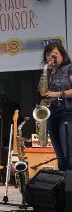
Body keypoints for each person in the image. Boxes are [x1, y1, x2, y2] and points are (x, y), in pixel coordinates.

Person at [42, 42, 72, 171]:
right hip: (52, 115)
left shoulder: (69, 68)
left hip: (67, 113)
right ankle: (64, 188)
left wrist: (59, 94)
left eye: (54, 54)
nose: (51, 57)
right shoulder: (46, 74)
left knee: (69, 154)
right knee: (60, 157)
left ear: (62, 55)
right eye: (48, 55)